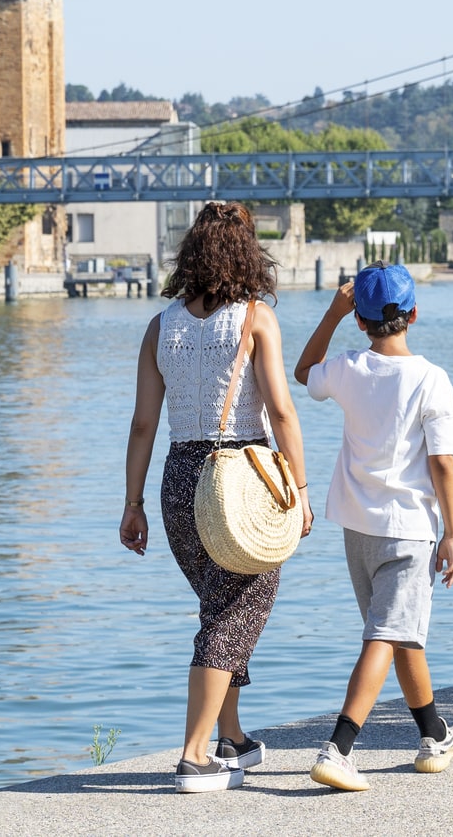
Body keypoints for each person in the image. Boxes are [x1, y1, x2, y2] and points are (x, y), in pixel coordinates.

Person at [119, 201, 314, 793]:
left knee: (220, 603)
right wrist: (300, 489)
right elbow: (280, 410)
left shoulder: (160, 325)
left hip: (180, 479)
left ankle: (231, 736)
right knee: (236, 608)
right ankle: (195, 754)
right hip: (242, 479)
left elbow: (142, 425)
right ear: (246, 253)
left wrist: (133, 504)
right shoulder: (256, 318)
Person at [292, 266, 453, 792]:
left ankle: (433, 734)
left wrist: (331, 313)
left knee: (398, 629)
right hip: (409, 529)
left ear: (360, 321)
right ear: (414, 313)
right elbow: (442, 463)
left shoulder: (347, 366)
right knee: (387, 632)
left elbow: (304, 371)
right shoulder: (430, 378)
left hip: (357, 527)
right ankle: (338, 749)